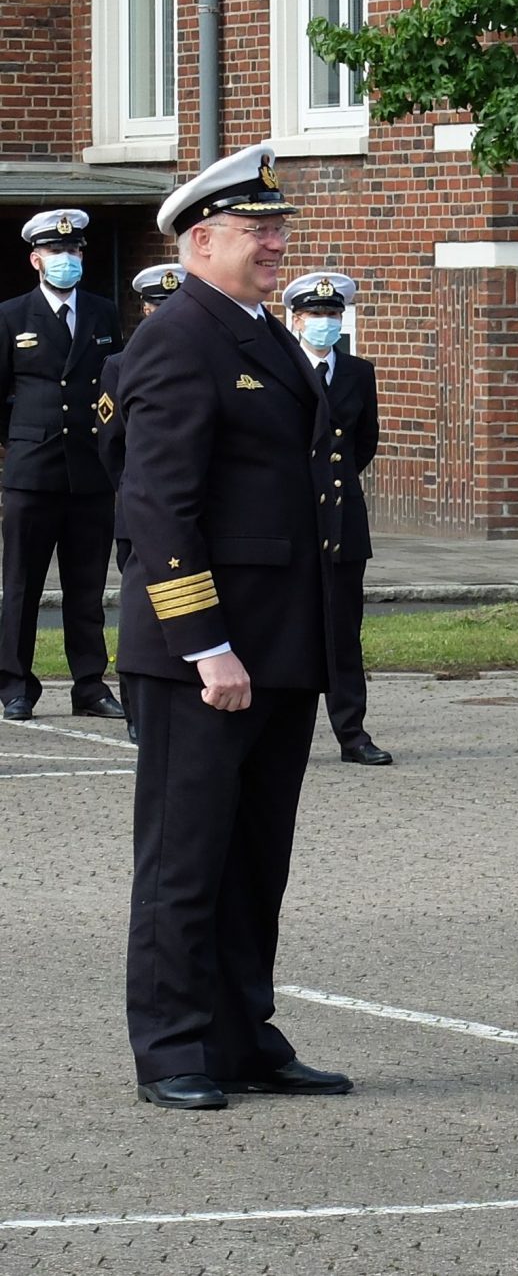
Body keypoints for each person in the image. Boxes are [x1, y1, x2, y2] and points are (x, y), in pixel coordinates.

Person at [115, 143, 354, 1109]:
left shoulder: (255, 331)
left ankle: (240, 1030)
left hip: (279, 644)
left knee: (257, 856)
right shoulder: (179, 338)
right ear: (200, 240)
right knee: (186, 855)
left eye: (278, 228)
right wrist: (204, 641)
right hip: (205, 653)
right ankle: (173, 1046)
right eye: (257, 231)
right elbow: (158, 505)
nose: (275, 244)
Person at [0, 208, 125, 723]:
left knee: (86, 586)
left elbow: (115, 386)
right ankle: (15, 685)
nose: (67, 260)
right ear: (36, 259)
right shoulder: (11, 315)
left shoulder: (102, 312)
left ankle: (90, 685)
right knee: (22, 584)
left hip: (89, 472)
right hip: (32, 469)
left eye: (74, 252)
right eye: (56, 253)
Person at [285, 271, 393, 764]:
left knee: (344, 632)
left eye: (333, 315)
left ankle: (353, 733)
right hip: (292, 521)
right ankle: (287, 737)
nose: (325, 323)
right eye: (315, 315)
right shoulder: (281, 368)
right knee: (290, 630)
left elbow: (362, 444)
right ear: (296, 320)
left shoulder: (358, 373)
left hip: (344, 522)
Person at [93, 264, 185, 745]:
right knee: (140, 617)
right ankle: (136, 710)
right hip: (138, 512)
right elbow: (111, 444)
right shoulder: (119, 365)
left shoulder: (202, 359)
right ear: (145, 310)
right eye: (157, 306)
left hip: (192, 516)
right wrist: (134, 491)